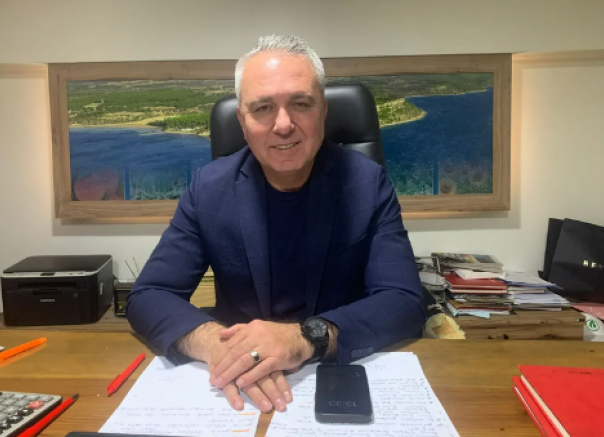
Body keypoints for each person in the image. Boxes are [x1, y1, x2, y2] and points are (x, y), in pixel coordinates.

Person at [125, 35, 425, 414]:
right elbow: (149, 295)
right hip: (241, 389)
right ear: (242, 120)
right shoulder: (209, 188)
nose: (283, 125)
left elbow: (403, 301)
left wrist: (305, 338)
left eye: (301, 103)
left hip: (333, 375)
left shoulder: (368, 184)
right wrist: (219, 345)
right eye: (263, 108)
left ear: (323, 110)